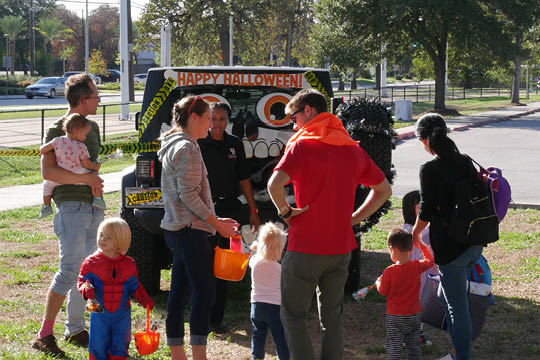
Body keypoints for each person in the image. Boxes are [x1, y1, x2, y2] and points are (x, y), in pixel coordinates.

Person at [267, 89, 392, 360]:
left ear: (308, 111)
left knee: (293, 314)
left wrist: (285, 212)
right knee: (332, 318)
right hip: (340, 247)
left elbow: (274, 184)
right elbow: (383, 190)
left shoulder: (302, 145)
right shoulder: (352, 149)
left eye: (294, 117)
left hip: (305, 247)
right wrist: (353, 219)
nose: (293, 124)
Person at [157, 95, 239, 360]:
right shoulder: (188, 148)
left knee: (179, 294)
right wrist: (217, 224)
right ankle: (199, 356)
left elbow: (187, 195)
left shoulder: (175, 143)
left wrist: (216, 222)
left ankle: (179, 355)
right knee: (205, 293)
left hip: (178, 228)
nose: (210, 125)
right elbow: (189, 196)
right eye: (206, 119)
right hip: (190, 230)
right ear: (193, 117)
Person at [33, 73, 104, 357]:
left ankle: (75, 329)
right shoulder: (55, 129)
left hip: (94, 207)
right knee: (69, 269)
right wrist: (84, 181)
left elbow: (90, 165)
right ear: (83, 99)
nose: (99, 100)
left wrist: (91, 181)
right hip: (70, 207)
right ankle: (44, 334)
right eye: (96, 96)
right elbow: (48, 172)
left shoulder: (93, 127)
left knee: (86, 269)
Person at [411, 113, 483, 360]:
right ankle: (458, 349)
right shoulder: (464, 161)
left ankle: (460, 355)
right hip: (473, 242)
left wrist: (416, 232)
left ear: (425, 140)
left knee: (457, 309)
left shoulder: (429, 169)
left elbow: (427, 209)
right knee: (447, 295)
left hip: (451, 248)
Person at [198, 101, 260, 332]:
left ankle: (216, 320)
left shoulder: (235, 144)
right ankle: (201, 318)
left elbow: (244, 179)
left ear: (228, 121)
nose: (216, 124)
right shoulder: (198, 144)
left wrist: (253, 210)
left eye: (222, 119)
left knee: (223, 266)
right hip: (203, 212)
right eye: (213, 119)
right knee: (202, 266)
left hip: (230, 212)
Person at [77, 217, 154, 360]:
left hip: (122, 313)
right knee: (98, 342)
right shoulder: (90, 262)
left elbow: (134, 286)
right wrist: (85, 288)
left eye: (108, 237)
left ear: (120, 240)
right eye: (101, 235)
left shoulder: (129, 264)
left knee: (120, 343)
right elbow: (82, 280)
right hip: (96, 309)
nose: (102, 239)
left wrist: (145, 299)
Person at [376, 228, 435, 360]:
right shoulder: (416, 266)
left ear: (393, 249)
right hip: (414, 314)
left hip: (395, 316)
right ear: (410, 250)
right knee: (413, 346)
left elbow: (383, 291)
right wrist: (421, 245)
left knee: (394, 346)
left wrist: (378, 282)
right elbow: (430, 260)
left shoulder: (389, 272)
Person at [39, 113, 106, 218]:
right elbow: (87, 164)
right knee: (94, 180)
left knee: (47, 186)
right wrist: (95, 167)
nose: (85, 137)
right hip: (78, 171)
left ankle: (46, 206)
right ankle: (97, 199)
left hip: (61, 173)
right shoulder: (81, 146)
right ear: (76, 131)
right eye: (85, 134)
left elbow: (42, 150)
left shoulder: (56, 141)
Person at [249, 222, 290, 360]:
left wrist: (255, 249)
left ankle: (257, 357)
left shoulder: (255, 262)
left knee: (258, 334)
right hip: (275, 307)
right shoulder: (280, 270)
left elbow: (251, 258)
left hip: (256, 305)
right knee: (280, 336)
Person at [402, 190, 438, 346]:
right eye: (420, 206)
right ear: (412, 208)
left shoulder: (409, 229)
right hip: (417, 275)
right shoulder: (416, 231)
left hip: (420, 274)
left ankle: (416, 335)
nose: (424, 208)